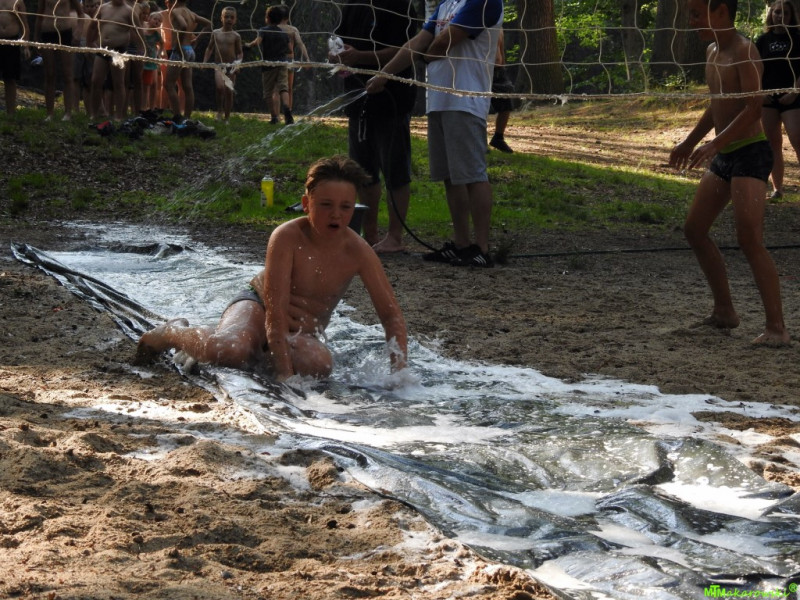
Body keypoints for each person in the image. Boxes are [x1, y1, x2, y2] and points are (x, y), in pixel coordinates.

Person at [135, 155, 408, 381]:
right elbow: (275, 313)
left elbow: (391, 316)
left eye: (345, 207)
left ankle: (262, 350)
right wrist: (285, 376)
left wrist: (400, 376)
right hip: (258, 306)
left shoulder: (359, 251)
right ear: (306, 204)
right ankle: (173, 332)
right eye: (326, 205)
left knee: (319, 365)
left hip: (300, 331)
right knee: (231, 351)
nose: (336, 214)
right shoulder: (287, 236)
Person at [668, 0, 790, 346]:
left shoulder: (744, 51)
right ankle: (724, 311)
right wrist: (690, 142)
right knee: (694, 230)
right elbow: (716, 105)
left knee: (749, 239)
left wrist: (715, 143)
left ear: (720, 11)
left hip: (751, 153)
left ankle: (777, 329)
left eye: (696, 13)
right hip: (724, 154)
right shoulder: (711, 51)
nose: (691, 21)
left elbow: (754, 108)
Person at [366, 0, 503, 267]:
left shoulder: (484, 1)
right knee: (451, 176)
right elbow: (418, 41)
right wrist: (384, 74)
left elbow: (443, 43)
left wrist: (425, 54)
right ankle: (461, 244)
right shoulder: (446, 4)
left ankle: (482, 249)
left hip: (465, 99)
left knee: (473, 175)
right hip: (439, 100)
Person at [333, 0, 417, 253]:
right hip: (357, 98)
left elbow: (407, 49)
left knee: (395, 172)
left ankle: (394, 237)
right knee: (362, 172)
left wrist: (361, 57)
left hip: (392, 99)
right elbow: (337, 39)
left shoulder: (400, 5)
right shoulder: (353, 5)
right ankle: (369, 236)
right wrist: (336, 53)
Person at [756, 0, 800, 199]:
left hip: (793, 96)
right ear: (771, 14)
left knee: (797, 138)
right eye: (777, 12)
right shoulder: (762, 40)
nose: (780, 16)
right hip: (768, 97)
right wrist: (759, 92)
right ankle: (778, 189)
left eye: (785, 13)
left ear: (791, 16)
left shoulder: (797, 38)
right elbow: (754, 68)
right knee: (772, 143)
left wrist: (794, 93)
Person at [87, 0, 136, 121]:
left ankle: (118, 116)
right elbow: (92, 26)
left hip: (119, 50)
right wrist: (89, 42)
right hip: (103, 49)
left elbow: (138, 31)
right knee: (95, 81)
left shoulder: (129, 11)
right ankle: (94, 114)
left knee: (118, 83)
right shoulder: (103, 8)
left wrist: (140, 49)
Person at [34, 0, 83, 120]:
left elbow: (81, 13)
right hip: (47, 33)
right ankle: (49, 113)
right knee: (49, 74)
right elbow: (39, 14)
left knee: (67, 74)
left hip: (65, 32)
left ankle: (68, 112)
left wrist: (78, 32)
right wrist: (36, 37)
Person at [164, 0, 211, 122]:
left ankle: (177, 116)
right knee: (187, 86)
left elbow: (183, 25)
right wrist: (196, 40)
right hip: (190, 50)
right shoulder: (191, 13)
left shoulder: (175, 11)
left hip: (180, 51)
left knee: (168, 84)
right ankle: (187, 118)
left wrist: (178, 45)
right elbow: (209, 24)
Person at [245, 4, 292, 124]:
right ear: (280, 19)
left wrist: (248, 45)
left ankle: (274, 117)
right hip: (282, 63)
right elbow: (290, 50)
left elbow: (257, 42)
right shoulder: (284, 33)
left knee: (268, 92)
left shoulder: (263, 30)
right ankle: (287, 109)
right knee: (283, 88)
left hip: (268, 66)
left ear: (267, 18)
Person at [203, 6, 242, 123]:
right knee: (220, 87)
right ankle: (219, 111)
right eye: (226, 17)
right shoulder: (216, 33)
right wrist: (205, 62)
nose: (229, 19)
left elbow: (239, 53)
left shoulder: (236, 36)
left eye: (232, 17)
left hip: (231, 67)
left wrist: (238, 64)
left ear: (235, 20)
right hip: (218, 65)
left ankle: (227, 117)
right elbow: (209, 48)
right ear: (221, 18)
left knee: (229, 91)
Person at [274, 4, 308, 115]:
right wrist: (307, 59)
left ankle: (276, 115)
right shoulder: (292, 29)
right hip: (289, 60)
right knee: (289, 88)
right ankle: (289, 113)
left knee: (277, 89)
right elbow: (300, 44)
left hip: (277, 60)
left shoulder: (273, 29)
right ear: (288, 17)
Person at [0, 0, 31, 115]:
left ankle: (11, 113)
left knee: (10, 78)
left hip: (12, 42)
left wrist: (26, 46)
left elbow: (25, 25)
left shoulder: (18, 1)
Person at [71, 0, 99, 114]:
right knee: (75, 78)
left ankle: (90, 110)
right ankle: (75, 109)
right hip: (75, 45)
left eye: (92, 6)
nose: (90, 8)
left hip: (90, 46)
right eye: (88, 6)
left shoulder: (95, 18)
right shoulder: (73, 14)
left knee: (89, 80)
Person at [489, 30, 514, 154]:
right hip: (482, 69)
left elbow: (501, 46)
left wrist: (503, 65)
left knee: (506, 105)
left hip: (498, 71)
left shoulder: (499, 26)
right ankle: (479, 140)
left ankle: (498, 138)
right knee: (478, 105)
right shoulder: (480, 22)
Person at [141, 9, 163, 111]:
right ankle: (141, 107)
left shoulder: (157, 34)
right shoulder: (142, 28)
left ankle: (148, 108)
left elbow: (162, 44)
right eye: (155, 19)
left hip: (150, 62)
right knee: (140, 84)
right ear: (149, 19)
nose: (157, 22)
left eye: (159, 21)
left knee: (148, 84)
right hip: (140, 59)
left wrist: (158, 54)